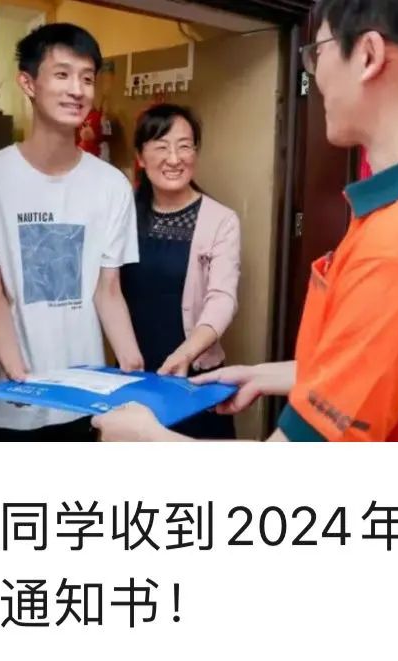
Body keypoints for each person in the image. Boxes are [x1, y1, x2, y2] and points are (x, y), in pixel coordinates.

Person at [94, 0, 398, 442]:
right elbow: (390, 359)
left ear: (368, 55)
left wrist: (146, 439)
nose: (315, 73)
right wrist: (269, 374)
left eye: (318, 51)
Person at [0, 23, 143, 441]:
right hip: (11, 403)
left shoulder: (111, 185)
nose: (77, 90)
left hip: (85, 397)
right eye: (62, 74)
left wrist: (131, 363)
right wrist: (18, 373)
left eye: (87, 78)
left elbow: (108, 290)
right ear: (28, 83)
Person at [120, 104, 240, 439]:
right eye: (161, 147)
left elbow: (222, 299)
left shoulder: (221, 221)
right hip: (134, 371)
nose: (174, 159)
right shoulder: (124, 215)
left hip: (194, 377)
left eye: (184, 146)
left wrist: (185, 355)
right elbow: (105, 288)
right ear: (140, 157)